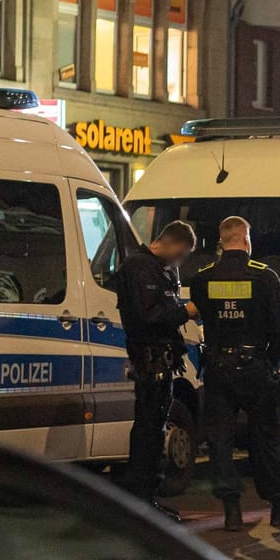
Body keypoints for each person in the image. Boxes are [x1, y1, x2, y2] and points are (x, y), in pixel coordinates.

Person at [188, 217, 280, 532]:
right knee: (267, 438)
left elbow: (202, 315)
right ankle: (279, 505)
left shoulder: (203, 279)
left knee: (220, 441)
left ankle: (232, 511)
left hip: (218, 367)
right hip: (256, 366)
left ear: (221, 241)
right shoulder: (266, 277)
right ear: (246, 240)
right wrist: (267, 361)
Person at [114, 220, 197, 518]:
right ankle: (142, 502)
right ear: (173, 244)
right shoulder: (141, 268)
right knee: (148, 431)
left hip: (159, 361)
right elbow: (149, 317)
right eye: (182, 254)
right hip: (149, 362)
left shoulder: (156, 269)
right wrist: (185, 311)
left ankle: (148, 498)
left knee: (153, 430)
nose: (180, 261)